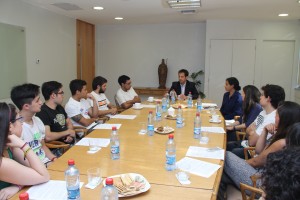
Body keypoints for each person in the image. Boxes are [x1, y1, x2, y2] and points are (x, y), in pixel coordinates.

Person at [218, 101, 300, 199]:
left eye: (277, 115)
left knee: (225, 156)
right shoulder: (283, 135)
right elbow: (258, 150)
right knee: (221, 175)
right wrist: (265, 131)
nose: (274, 117)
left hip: (262, 181)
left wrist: (239, 164)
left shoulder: (282, 143)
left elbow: (256, 162)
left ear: (285, 119)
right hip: (264, 176)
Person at [0, 103, 49, 199]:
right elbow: (44, 176)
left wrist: (17, 186)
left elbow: (38, 169)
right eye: (20, 119)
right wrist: (24, 146)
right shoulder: (2, 163)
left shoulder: (10, 146)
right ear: (10, 126)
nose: (22, 123)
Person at [227, 84, 285, 158]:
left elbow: (252, 142)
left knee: (227, 155)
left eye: (262, 95)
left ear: (268, 99)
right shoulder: (263, 112)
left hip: (251, 151)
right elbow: (248, 130)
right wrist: (252, 133)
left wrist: (251, 132)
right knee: (226, 146)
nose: (260, 97)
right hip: (246, 143)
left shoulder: (272, 118)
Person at [10, 83, 57, 166]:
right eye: (37, 100)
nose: (41, 103)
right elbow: (24, 162)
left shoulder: (37, 120)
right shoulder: (16, 130)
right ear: (26, 106)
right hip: (35, 169)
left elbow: (43, 146)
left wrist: (54, 159)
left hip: (47, 163)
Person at [36, 81, 76, 155]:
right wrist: (67, 132)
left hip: (69, 143)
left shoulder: (59, 107)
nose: (63, 95)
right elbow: (48, 136)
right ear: (53, 95)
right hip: (57, 148)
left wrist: (69, 134)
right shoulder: (42, 112)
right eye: (61, 93)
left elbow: (69, 122)